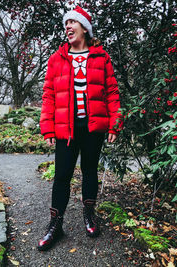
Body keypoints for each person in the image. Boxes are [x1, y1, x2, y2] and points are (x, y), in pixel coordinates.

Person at [38, 5, 123, 251]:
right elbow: (48, 95)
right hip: (66, 129)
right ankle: (56, 224)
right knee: (62, 175)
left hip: (93, 127)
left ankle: (89, 214)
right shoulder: (57, 59)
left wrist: (115, 123)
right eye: (66, 24)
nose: (67, 27)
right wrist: (48, 128)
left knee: (89, 171)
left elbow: (112, 92)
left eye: (72, 23)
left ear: (84, 28)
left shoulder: (101, 57)